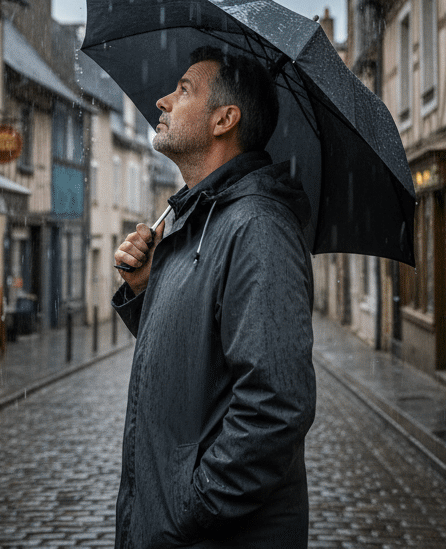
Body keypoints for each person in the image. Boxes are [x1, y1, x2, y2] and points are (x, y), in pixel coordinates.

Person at [111, 45, 315, 548]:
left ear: (225, 119)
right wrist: (144, 290)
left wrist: (195, 506)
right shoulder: (197, 220)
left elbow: (276, 403)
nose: (162, 100)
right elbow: (195, 359)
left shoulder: (258, 228)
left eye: (183, 90)